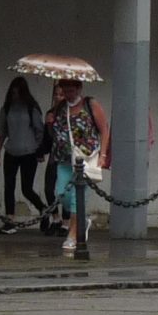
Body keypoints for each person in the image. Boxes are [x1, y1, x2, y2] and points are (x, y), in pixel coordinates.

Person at [45, 77, 111, 256]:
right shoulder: (60, 108)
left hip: (85, 159)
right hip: (65, 159)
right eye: (64, 90)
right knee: (62, 193)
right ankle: (83, 221)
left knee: (76, 198)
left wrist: (103, 155)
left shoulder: (90, 104)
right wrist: (50, 122)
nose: (67, 94)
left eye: (70, 90)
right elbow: (56, 133)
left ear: (79, 88)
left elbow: (104, 128)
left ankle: (73, 235)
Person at [0, 76, 49, 234]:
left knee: (26, 188)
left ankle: (42, 208)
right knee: (9, 185)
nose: (15, 96)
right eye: (13, 93)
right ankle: (10, 220)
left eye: (18, 93)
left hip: (29, 153)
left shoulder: (32, 108)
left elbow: (40, 131)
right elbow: (3, 132)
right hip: (11, 151)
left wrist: (39, 150)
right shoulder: (7, 108)